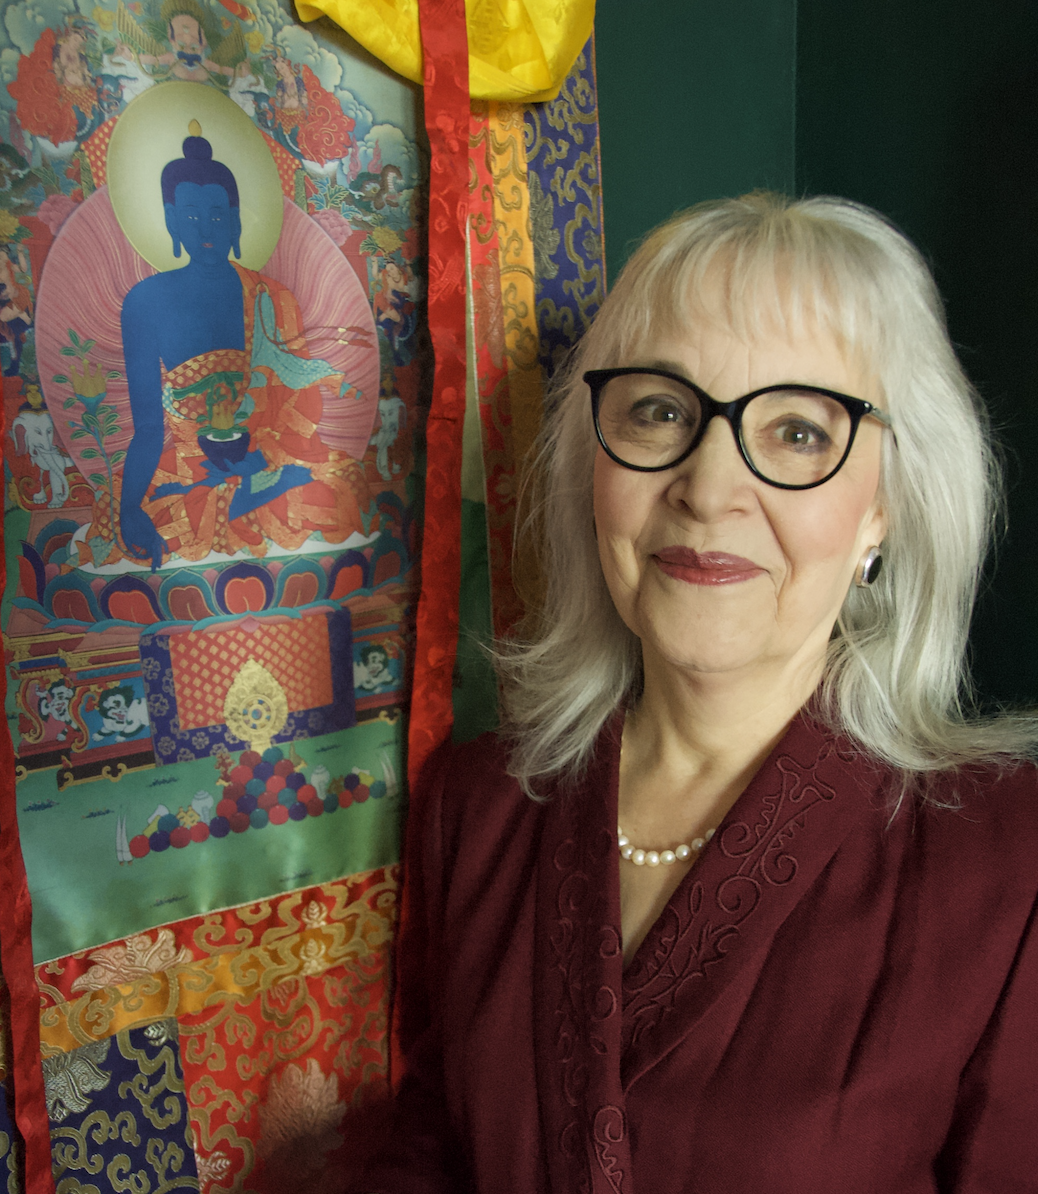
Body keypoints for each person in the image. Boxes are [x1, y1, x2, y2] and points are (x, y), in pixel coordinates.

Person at [355, 193, 1038, 1193]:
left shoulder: (1007, 862)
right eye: (663, 411)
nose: (709, 486)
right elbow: (433, 1143)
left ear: (882, 510)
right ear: (597, 463)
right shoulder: (478, 808)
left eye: (800, 430)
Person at [104, 123, 368, 568]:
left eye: (217, 214)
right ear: (170, 219)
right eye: (190, 215)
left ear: (236, 218)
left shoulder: (273, 297)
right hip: (187, 465)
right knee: (155, 518)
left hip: (263, 456)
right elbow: (149, 429)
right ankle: (231, 503)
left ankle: (253, 495)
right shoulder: (145, 303)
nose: (205, 227)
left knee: (341, 484)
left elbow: (301, 404)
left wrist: (259, 460)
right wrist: (130, 508)